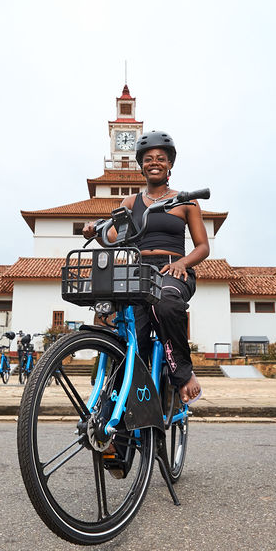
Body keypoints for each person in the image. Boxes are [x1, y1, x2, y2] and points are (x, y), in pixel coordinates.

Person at [83, 130, 210, 404]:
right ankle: (122, 413)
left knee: (165, 302)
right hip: (138, 271)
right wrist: (95, 230)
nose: (155, 162)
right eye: (149, 159)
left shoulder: (186, 201)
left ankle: (183, 374)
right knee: (129, 336)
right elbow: (114, 238)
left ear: (170, 165)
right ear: (142, 166)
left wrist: (182, 263)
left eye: (161, 159)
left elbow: (202, 247)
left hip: (172, 269)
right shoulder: (130, 203)